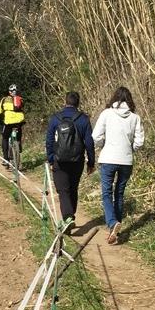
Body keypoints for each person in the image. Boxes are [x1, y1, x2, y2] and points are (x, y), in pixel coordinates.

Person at [92, 86, 144, 245]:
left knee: (106, 193)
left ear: (114, 98)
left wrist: (102, 144)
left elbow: (95, 136)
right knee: (119, 194)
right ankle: (115, 231)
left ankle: (112, 223)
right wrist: (130, 148)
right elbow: (139, 141)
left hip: (108, 158)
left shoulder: (107, 114)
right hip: (126, 160)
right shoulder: (135, 117)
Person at [45, 91, 95, 233]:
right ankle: (70, 216)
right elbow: (89, 142)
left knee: (63, 190)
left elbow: (49, 140)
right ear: (78, 103)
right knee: (73, 188)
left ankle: (67, 217)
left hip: (59, 161)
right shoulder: (83, 119)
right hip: (77, 160)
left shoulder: (55, 119)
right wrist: (91, 162)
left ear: (65, 101)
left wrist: (50, 158)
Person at [0, 84, 25, 168]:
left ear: (9, 92)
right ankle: (18, 151)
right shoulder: (20, 99)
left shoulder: (4, 99)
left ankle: (6, 159)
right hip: (19, 121)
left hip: (8, 122)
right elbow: (23, 108)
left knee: (4, 138)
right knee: (18, 138)